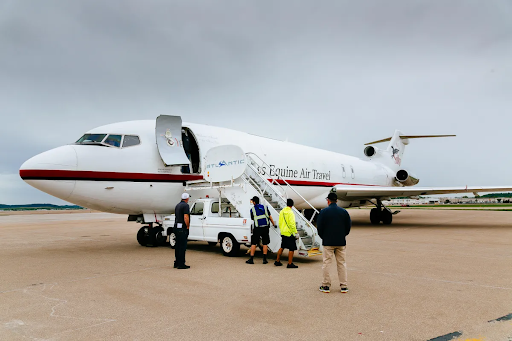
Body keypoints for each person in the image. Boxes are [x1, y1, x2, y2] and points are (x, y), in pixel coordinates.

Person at [317, 192, 351, 293]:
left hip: (328, 242)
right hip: (340, 242)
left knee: (326, 263)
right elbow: (348, 227)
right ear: (337, 200)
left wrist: (324, 237)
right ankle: (344, 286)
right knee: (342, 264)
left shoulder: (323, 212)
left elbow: (319, 228)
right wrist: (342, 235)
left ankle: (326, 285)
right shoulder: (343, 212)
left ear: (328, 201)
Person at [246, 196, 275, 264]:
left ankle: (251, 259)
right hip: (265, 227)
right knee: (265, 243)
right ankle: (264, 259)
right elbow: (270, 216)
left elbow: (253, 218)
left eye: (252, 201)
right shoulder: (265, 207)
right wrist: (273, 224)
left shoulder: (252, 209)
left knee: (254, 243)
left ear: (254, 202)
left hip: (257, 227)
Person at [275, 198, 299, 268]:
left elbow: (280, 222)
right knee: (292, 248)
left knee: (282, 247)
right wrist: (295, 232)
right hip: (289, 233)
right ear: (292, 205)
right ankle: (290, 263)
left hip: (283, 232)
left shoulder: (282, 211)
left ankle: (277, 261)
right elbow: (292, 224)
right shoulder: (291, 212)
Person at [174, 193, 191, 269]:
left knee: (177, 246)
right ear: (187, 198)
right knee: (182, 246)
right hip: (182, 228)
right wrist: (187, 226)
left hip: (176, 227)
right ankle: (181, 264)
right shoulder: (186, 206)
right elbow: (186, 217)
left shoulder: (177, 205)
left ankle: (176, 262)